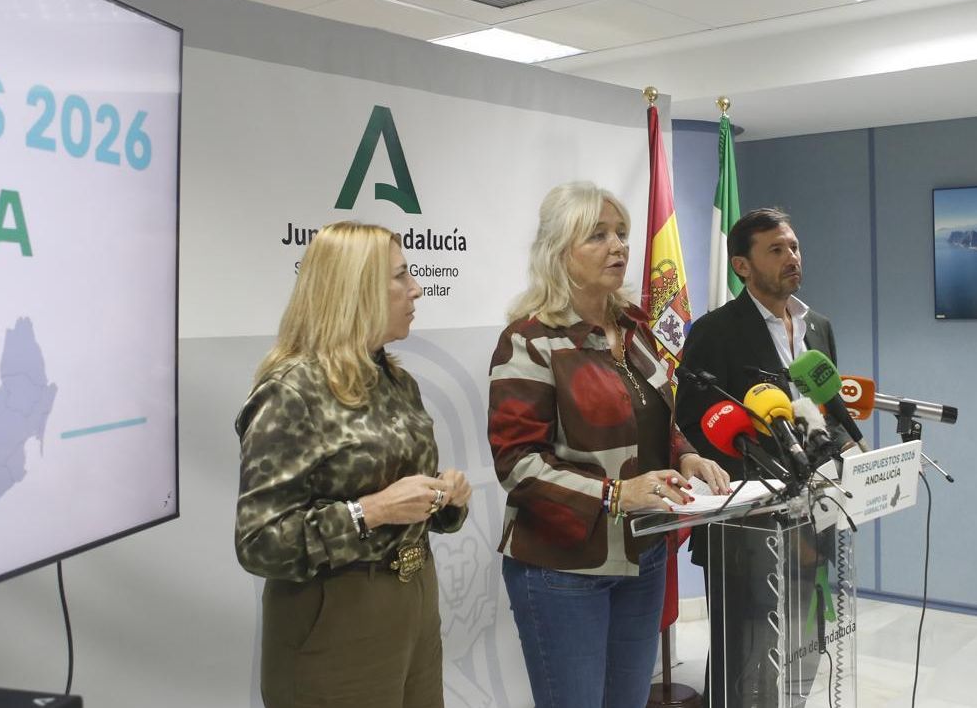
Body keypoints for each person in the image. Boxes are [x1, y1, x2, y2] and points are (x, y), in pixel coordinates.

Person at [488, 181, 731, 708]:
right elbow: (517, 464)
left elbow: (656, 415)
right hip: (563, 569)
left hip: (642, 556)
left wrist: (686, 454)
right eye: (597, 235)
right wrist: (616, 494)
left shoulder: (636, 328)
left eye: (621, 233)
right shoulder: (531, 340)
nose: (619, 246)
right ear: (559, 251)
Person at [235, 220, 471, 708]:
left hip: (414, 602)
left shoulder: (396, 380)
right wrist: (371, 512)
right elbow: (258, 543)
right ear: (355, 290)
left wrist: (443, 500)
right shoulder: (292, 391)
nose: (417, 289)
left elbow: (405, 496)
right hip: (335, 616)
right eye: (401, 276)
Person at [676, 207, 855, 708]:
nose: (791, 257)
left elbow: (830, 408)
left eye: (793, 247)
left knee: (802, 647)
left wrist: (846, 445)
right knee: (744, 657)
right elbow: (692, 421)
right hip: (743, 526)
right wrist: (754, 474)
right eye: (775, 250)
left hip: (812, 522)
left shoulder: (818, 326)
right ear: (742, 266)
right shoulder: (715, 332)